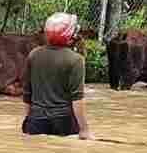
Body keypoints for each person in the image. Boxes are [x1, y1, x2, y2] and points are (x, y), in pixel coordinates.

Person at [22, 12, 94, 140]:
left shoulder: (34, 55)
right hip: (64, 122)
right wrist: (84, 130)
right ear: (70, 35)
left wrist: (28, 120)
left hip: (35, 120)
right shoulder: (76, 60)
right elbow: (77, 100)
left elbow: (27, 94)